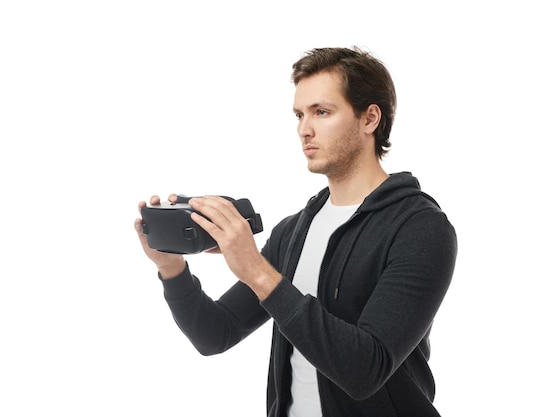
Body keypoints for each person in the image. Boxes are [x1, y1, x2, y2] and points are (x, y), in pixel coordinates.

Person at [134, 46, 457, 417]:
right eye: (299, 114)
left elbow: (366, 370)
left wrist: (257, 271)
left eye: (322, 112)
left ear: (369, 119)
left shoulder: (420, 228)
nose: (305, 129)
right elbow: (215, 334)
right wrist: (171, 268)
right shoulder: (294, 231)